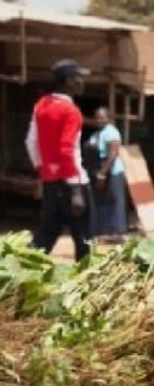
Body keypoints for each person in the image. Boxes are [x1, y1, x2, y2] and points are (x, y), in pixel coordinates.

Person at [26, 59, 90, 261]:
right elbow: (67, 149)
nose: (82, 82)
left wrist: (43, 172)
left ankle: (18, 272)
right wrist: (76, 190)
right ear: (68, 81)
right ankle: (86, 284)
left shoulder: (41, 105)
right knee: (84, 238)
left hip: (51, 182)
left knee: (46, 234)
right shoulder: (71, 111)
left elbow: (31, 141)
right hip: (73, 182)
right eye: (78, 77)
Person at [88, 107, 128, 239]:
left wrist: (103, 172)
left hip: (112, 171)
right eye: (97, 117)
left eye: (102, 117)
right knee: (102, 201)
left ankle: (117, 232)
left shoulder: (111, 132)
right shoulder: (99, 132)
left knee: (114, 201)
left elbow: (113, 153)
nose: (99, 120)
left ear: (109, 118)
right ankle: (103, 231)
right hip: (100, 169)